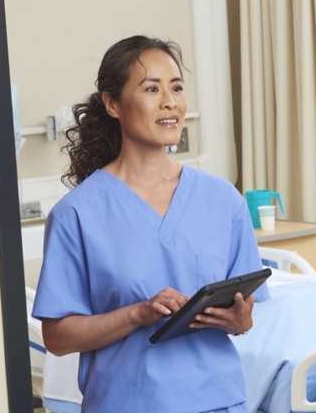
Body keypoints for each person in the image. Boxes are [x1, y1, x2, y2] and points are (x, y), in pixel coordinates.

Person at [32, 35, 269, 413]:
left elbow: (246, 310)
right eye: (152, 89)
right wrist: (137, 314)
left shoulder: (222, 200)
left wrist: (240, 319)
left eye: (176, 87)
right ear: (113, 104)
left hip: (219, 400)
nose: (170, 101)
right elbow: (57, 337)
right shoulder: (77, 214)